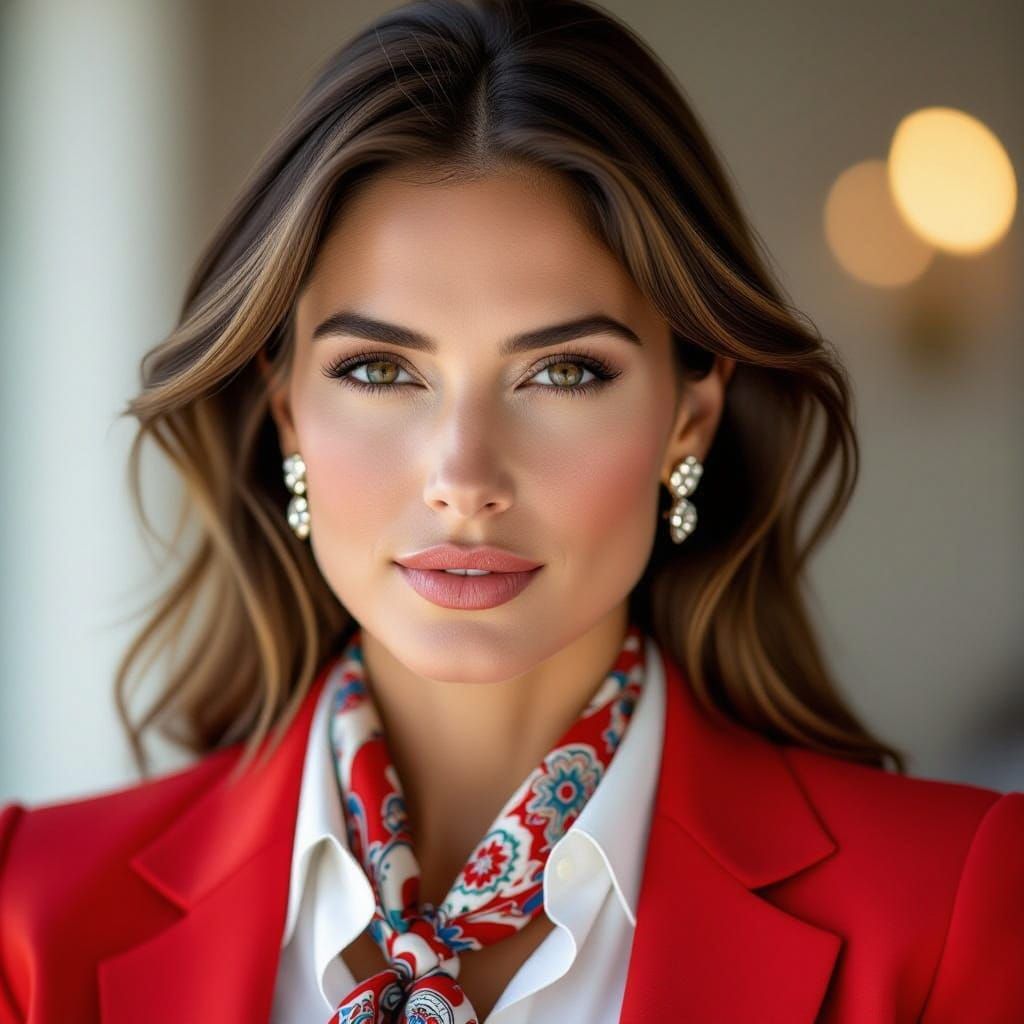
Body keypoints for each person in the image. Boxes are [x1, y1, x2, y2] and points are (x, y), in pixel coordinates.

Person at [1, 0, 1021, 1020]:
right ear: (286, 418)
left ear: (688, 421)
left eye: (564, 372)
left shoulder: (949, 907)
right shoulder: (28, 913)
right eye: (379, 369)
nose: (463, 472)